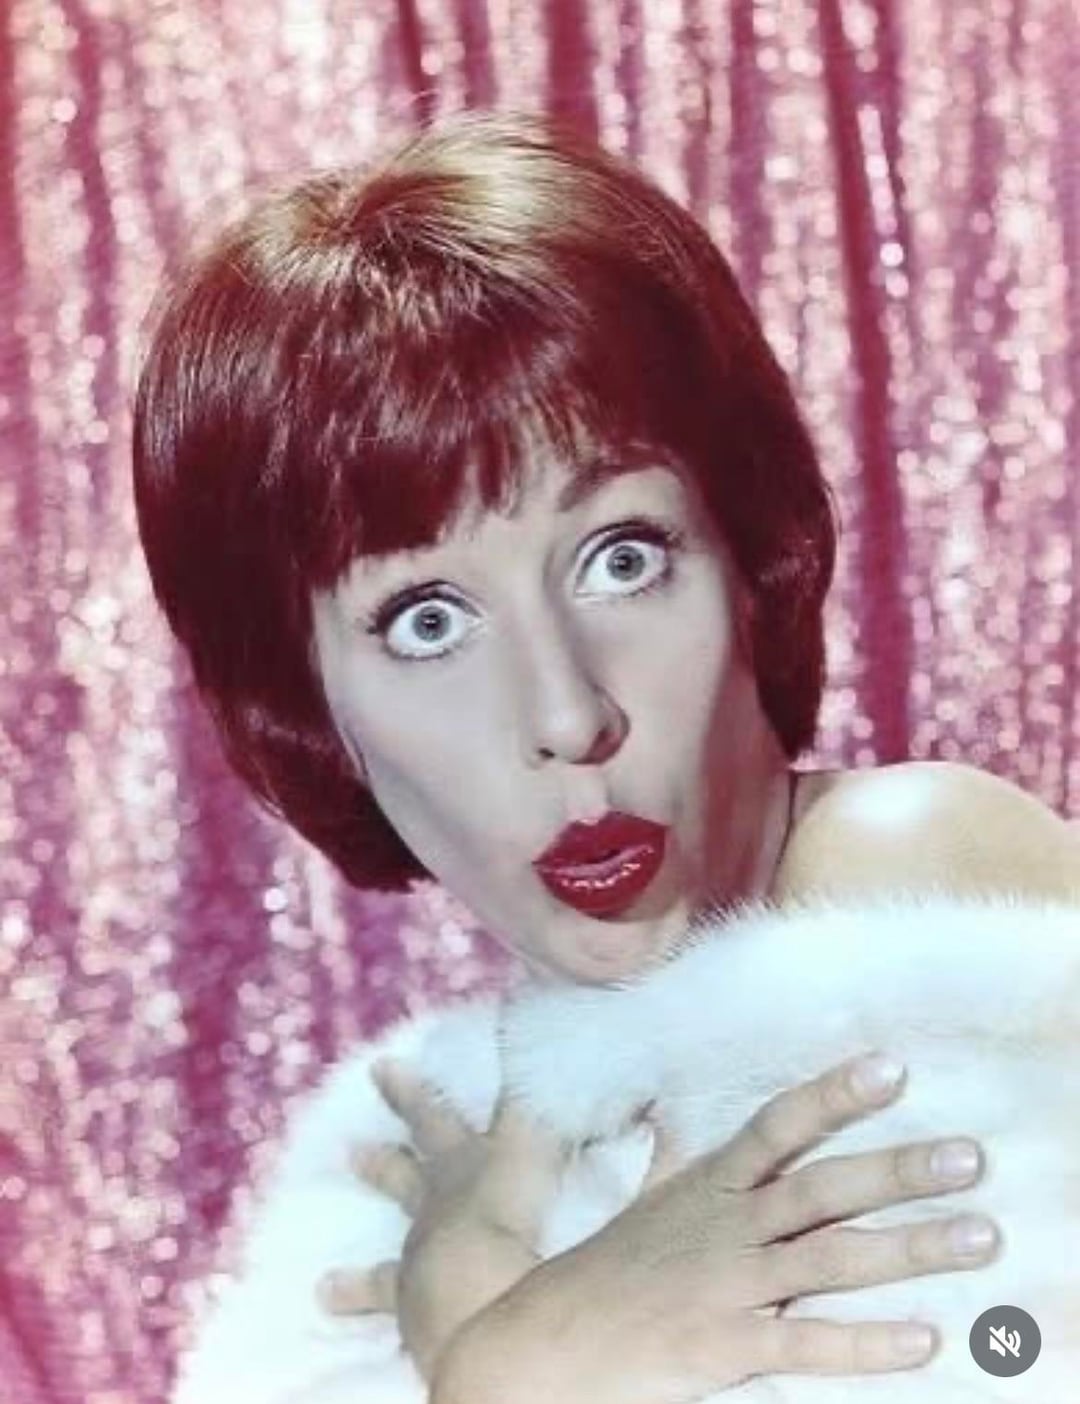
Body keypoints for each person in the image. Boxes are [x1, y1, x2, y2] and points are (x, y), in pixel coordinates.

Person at [131, 109, 1079, 1402]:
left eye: (621, 558)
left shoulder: (912, 882)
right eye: (427, 620)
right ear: (310, 709)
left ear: (747, 554)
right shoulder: (423, 1149)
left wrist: (501, 1362)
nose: (568, 715)